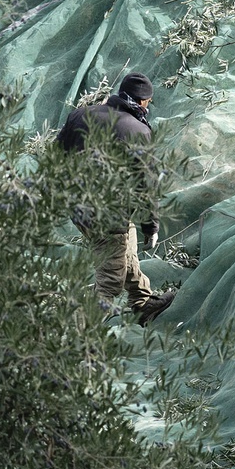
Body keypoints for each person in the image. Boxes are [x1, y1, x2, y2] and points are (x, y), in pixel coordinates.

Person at [59, 73, 175, 321]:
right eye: (148, 102)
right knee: (110, 280)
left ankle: (142, 301)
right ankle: (77, 341)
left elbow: (56, 154)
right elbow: (146, 185)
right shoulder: (137, 131)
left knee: (125, 245)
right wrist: (151, 226)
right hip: (107, 215)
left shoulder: (81, 114)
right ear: (141, 101)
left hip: (78, 206)